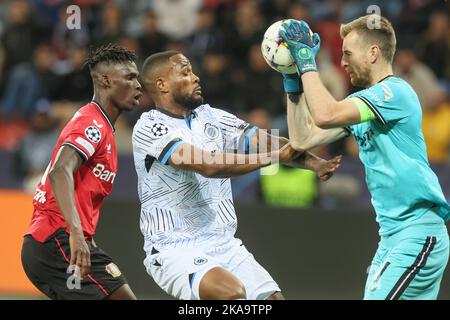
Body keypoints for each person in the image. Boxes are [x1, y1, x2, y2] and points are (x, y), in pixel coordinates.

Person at [132, 50, 342, 300]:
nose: (196, 77)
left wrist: (313, 163)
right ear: (162, 85)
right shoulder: (150, 126)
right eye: (186, 72)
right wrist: (276, 159)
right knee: (231, 294)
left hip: (225, 243)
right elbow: (207, 165)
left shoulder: (213, 117)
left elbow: (269, 143)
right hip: (175, 248)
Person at [279, 16, 450, 299]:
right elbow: (302, 139)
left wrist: (308, 61)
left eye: (347, 53)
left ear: (373, 53)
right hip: (391, 238)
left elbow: (325, 114)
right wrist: (293, 82)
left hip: (417, 233)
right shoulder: (364, 104)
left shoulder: (395, 92)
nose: (342, 62)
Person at [21, 43, 142, 300]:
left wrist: (86, 239)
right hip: (57, 239)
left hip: (53, 243)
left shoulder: (105, 128)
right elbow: (59, 171)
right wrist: (76, 234)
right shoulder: (92, 123)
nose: (138, 85)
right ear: (107, 81)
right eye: (130, 77)